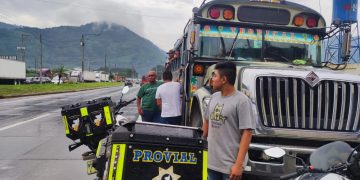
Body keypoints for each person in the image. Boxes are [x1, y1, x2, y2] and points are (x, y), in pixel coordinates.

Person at [202, 61, 255, 180]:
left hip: (230, 168)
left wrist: (238, 165)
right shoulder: (214, 97)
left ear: (224, 79)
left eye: (214, 75)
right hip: (211, 163)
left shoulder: (242, 101)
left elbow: (247, 133)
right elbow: (206, 124)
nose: (211, 79)